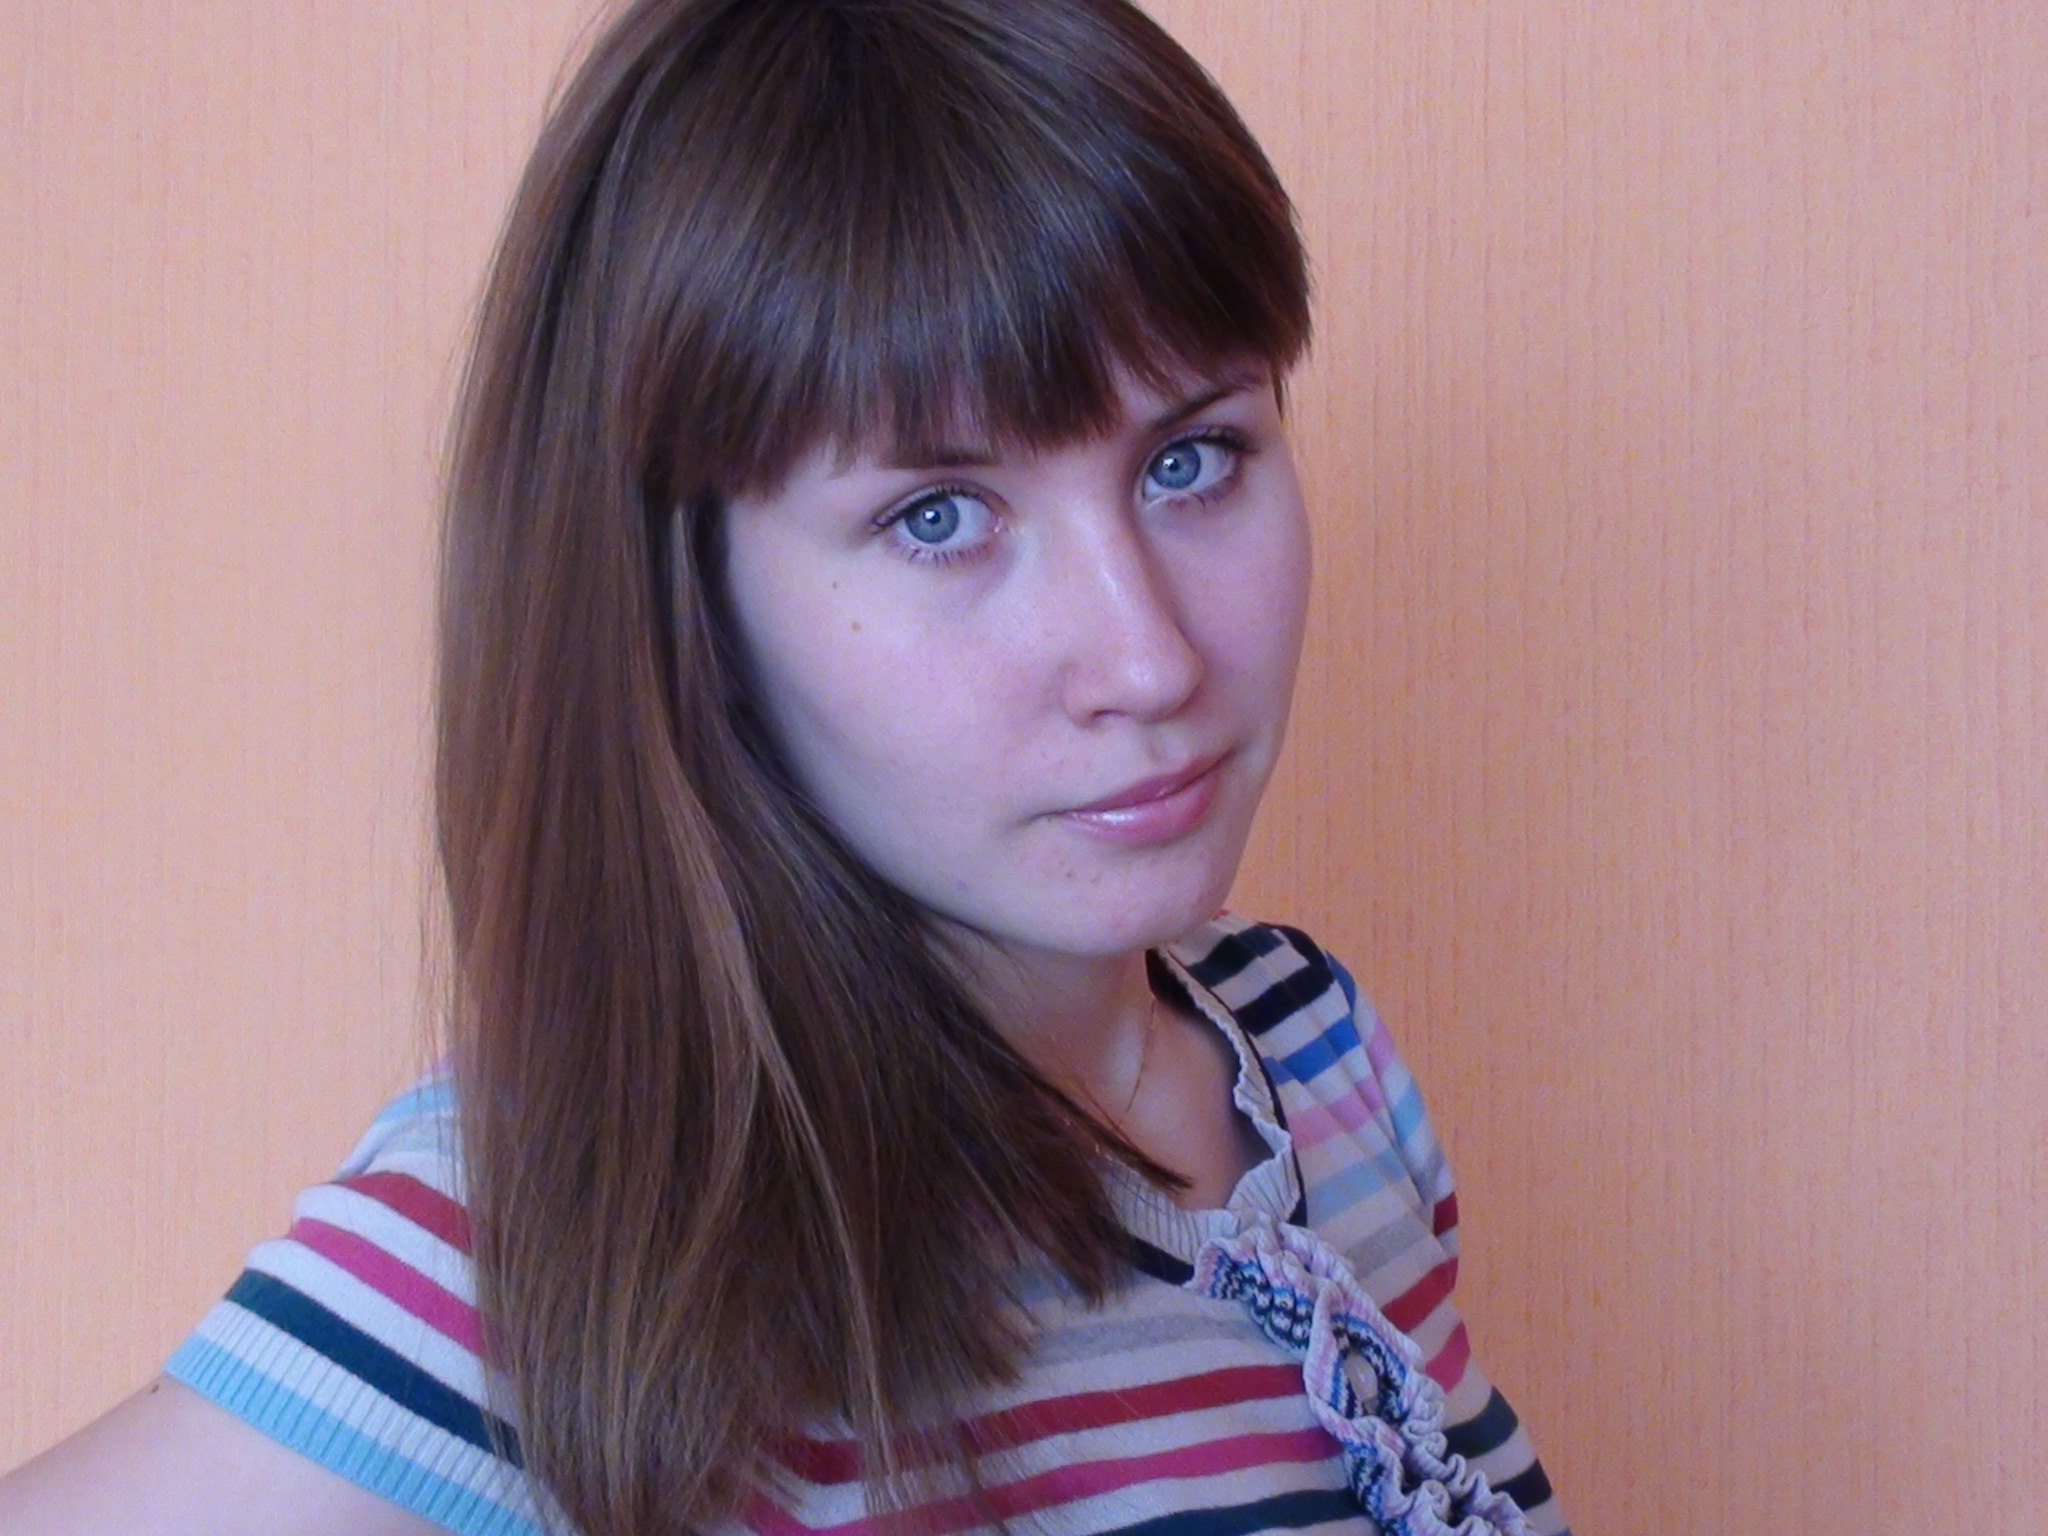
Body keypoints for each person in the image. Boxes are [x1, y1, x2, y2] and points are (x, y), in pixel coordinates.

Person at [0, 2, 1567, 1533]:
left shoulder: (1317, 1057)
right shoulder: (577, 1242)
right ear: (690, 598)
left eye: (1191, 459)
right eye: (938, 517)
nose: (1148, 658)